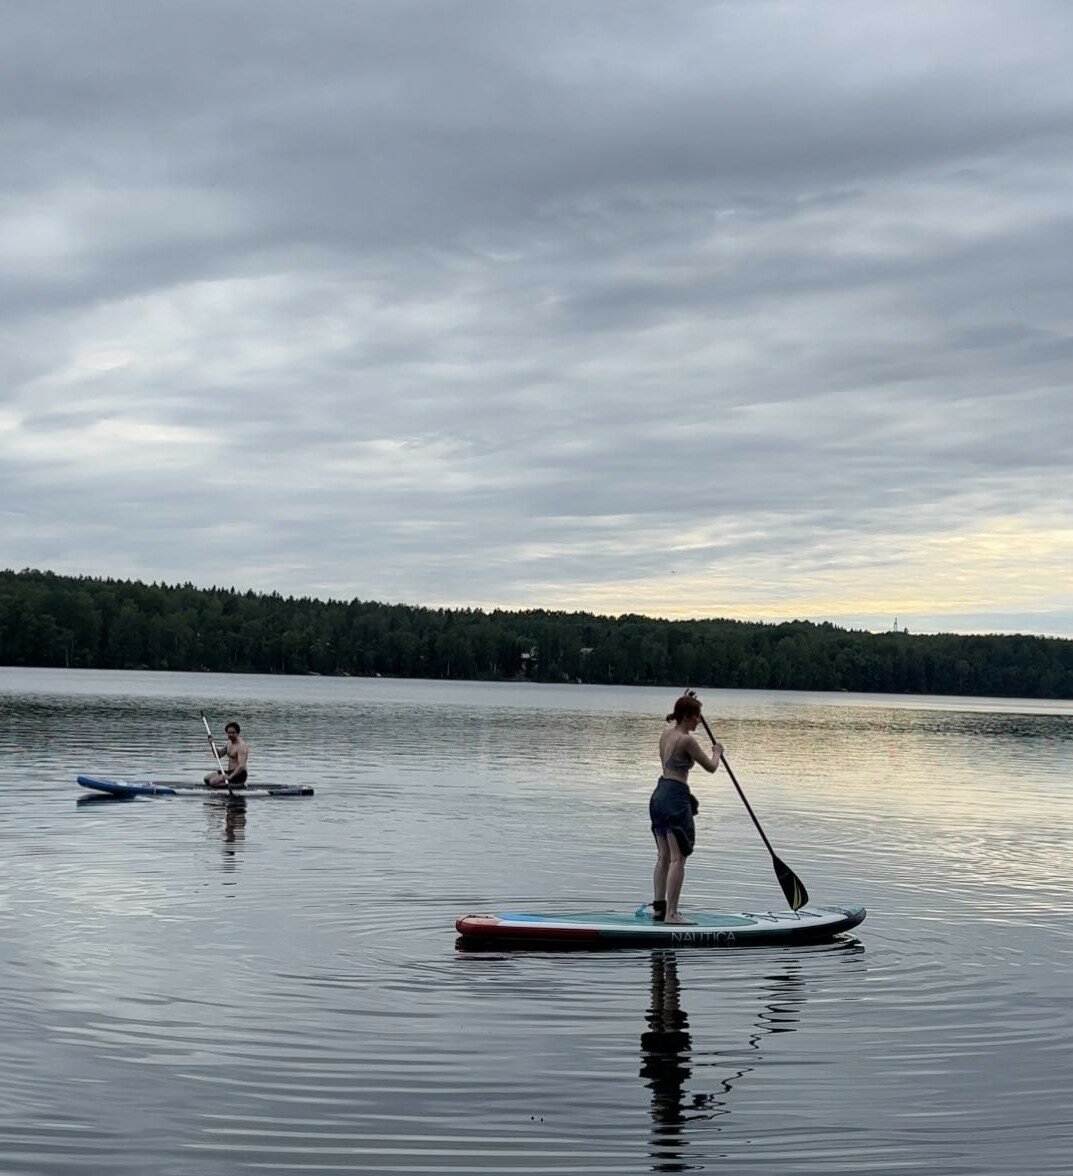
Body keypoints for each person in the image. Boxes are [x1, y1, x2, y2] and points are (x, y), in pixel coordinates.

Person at [648, 693, 723, 924]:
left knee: (663, 856)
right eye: (696, 717)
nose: (699, 721)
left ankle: (659, 909)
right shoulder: (687, 741)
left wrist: (686, 699)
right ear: (686, 716)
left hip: (659, 795)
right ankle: (672, 914)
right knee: (678, 859)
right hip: (675, 797)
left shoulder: (667, 732)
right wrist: (717, 752)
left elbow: (677, 717)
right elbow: (710, 767)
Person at [204, 721, 249, 788]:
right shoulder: (229, 744)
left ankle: (238, 785)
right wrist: (211, 744)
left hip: (239, 775)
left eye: (233, 733)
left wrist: (230, 777)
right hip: (229, 772)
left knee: (212, 782)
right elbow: (218, 755)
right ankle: (225, 784)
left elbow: (241, 766)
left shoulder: (241, 746)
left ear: (238, 733)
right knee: (207, 778)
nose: (230, 734)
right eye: (229, 733)